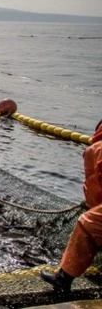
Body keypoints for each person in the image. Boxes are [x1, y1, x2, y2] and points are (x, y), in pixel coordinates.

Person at [40, 119, 102, 294]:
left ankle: (63, 278)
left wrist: (90, 205)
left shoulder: (96, 149)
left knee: (88, 223)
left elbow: (95, 191)